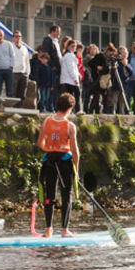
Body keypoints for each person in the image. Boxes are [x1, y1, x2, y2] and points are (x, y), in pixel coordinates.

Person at [37, 91, 80, 237]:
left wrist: (50, 149)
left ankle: (48, 230)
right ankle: (64, 230)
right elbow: (75, 151)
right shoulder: (70, 126)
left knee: (49, 195)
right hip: (64, 162)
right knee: (66, 194)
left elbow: (40, 143)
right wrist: (77, 170)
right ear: (70, 108)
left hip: (49, 160)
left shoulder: (46, 121)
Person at [0, 28, 15, 99]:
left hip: (8, 70)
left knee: (9, 89)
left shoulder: (8, 44)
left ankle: (9, 105)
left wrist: (11, 66)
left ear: (3, 36)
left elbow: (12, 55)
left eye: (0, 35)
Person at [59, 37, 81, 103]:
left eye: (75, 46)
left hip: (67, 80)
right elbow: (71, 68)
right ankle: (77, 110)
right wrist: (75, 79)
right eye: (72, 46)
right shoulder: (69, 55)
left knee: (69, 97)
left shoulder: (68, 55)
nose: (74, 48)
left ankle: (71, 110)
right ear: (68, 47)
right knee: (76, 95)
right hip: (70, 80)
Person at [11, 30, 31, 99]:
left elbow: (27, 61)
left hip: (23, 74)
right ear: (13, 38)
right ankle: (13, 108)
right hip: (14, 73)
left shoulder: (24, 48)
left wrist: (27, 73)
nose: (18, 38)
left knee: (22, 94)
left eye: (19, 36)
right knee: (14, 92)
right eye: (16, 36)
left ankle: (20, 108)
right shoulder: (11, 47)